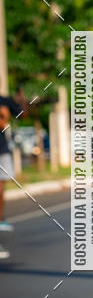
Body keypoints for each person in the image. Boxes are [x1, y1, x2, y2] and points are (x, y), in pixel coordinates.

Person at [0, 89, 27, 260]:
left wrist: (22, 99)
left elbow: (22, 114)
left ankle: (1, 218)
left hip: (1, 151)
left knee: (1, 188)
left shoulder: (4, 100)